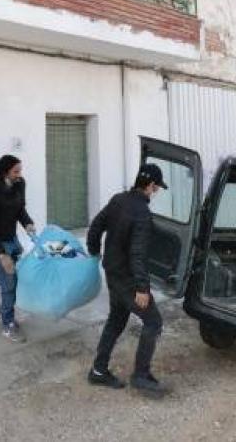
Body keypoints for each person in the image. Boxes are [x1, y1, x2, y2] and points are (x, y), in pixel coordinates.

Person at [85, 163, 169, 397]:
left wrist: (94, 250)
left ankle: (99, 371)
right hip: (129, 279)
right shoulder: (142, 213)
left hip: (112, 272)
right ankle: (141, 375)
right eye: (156, 188)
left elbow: (96, 226)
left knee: (116, 320)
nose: (156, 192)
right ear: (150, 185)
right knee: (153, 322)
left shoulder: (118, 200)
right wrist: (142, 288)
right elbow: (137, 253)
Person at [0, 154, 36, 342]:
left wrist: (27, 223)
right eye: (15, 171)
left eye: (20, 170)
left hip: (11, 238)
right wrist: (1, 255)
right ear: (5, 172)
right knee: (9, 282)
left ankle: (2, 311)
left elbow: (20, 209)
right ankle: (8, 325)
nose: (20, 175)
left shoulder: (20, 184)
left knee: (16, 279)